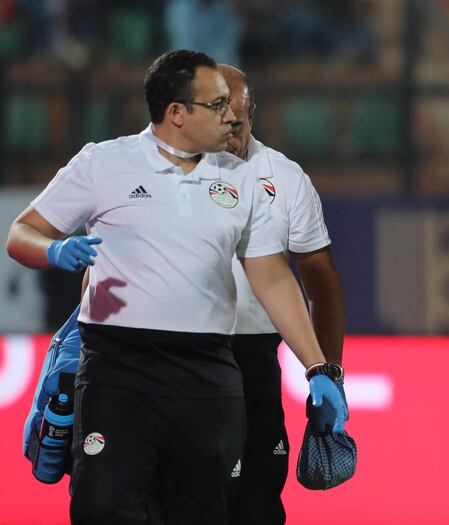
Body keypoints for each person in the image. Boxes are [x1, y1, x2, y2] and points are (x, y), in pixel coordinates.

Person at [6, 50, 347, 525]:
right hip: (118, 370)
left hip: (209, 374)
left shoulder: (244, 181)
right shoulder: (104, 163)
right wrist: (53, 251)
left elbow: (271, 276)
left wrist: (319, 369)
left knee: (209, 513)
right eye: (217, 106)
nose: (231, 117)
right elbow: (21, 234)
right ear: (177, 113)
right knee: (104, 509)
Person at [218, 64, 346, 525]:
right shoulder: (163, 169)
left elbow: (321, 285)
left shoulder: (285, 178)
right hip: (179, 354)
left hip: (253, 360)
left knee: (256, 505)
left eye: (240, 117)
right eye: (219, 113)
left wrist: (327, 374)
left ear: (253, 112)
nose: (230, 125)